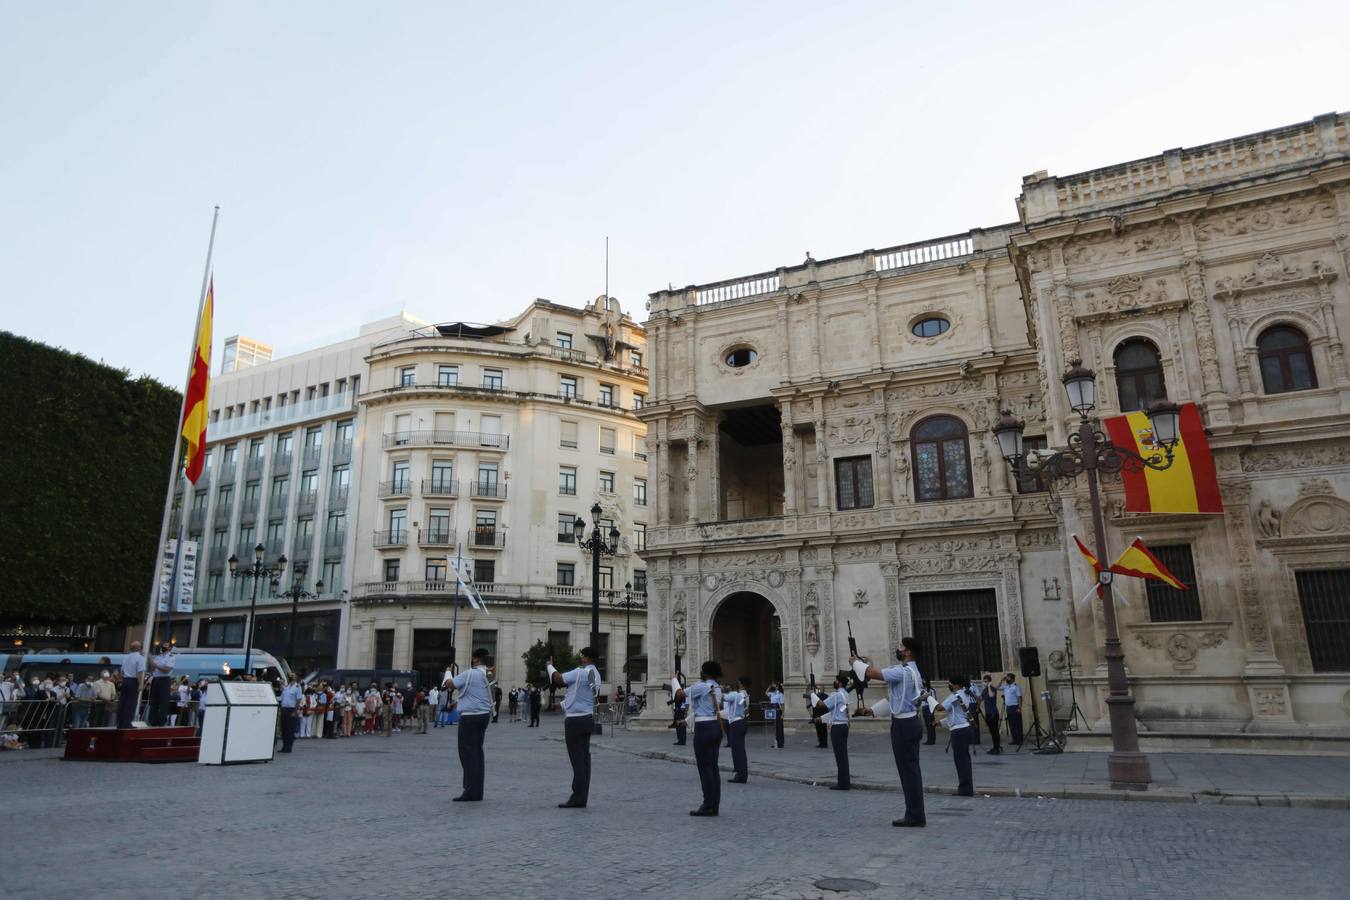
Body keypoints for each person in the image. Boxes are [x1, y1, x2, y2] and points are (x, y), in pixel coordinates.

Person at [851, 636, 925, 827]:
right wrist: (872, 711)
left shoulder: (902, 672)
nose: (898, 649)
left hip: (904, 726)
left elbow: (872, 673)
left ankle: (915, 815)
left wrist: (855, 663)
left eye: (901, 647)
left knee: (908, 771)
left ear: (908, 652)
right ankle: (915, 813)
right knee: (911, 770)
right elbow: (897, 699)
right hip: (910, 722)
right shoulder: (913, 672)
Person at [548, 646, 601, 808]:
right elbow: (581, 695)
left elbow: (559, 679)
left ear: (586, 658)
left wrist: (549, 666)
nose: (581, 659)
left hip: (575, 721)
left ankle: (577, 797)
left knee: (577, 760)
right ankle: (582, 796)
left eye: (582, 657)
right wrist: (562, 705)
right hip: (587, 718)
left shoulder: (580, 672)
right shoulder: (596, 674)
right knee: (584, 759)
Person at [673, 661, 724, 816]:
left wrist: (675, 680)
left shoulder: (701, 686)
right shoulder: (718, 688)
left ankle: (707, 804)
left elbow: (680, 694)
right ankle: (714, 804)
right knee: (713, 767)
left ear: (705, 673)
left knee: (705, 768)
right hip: (716, 725)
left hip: (704, 728)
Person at [448, 649, 494, 802]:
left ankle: (470, 790)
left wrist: (448, 672)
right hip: (483, 715)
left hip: (469, 717)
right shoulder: (486, 674)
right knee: (477, 753)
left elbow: (450, 685)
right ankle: (477, 790)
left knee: (468, 754)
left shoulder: (470, 673)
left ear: (476, 659)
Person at [934, 675, 975, 796]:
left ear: (956, 685)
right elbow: (955, 715)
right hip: (964, 728)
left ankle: (965, 789)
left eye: (950, 682)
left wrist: (928, 698)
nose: (949, 685)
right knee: (964, 760)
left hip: (959, 732)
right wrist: (940, 722)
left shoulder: (955, 696)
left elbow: (940, 708)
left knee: (961, 761)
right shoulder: (963, 695)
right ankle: (966, 787)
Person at [812, 671, 852, 790]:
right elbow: (837, 711)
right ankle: (844, 781)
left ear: (839, 683)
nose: (834, 682)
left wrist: (813, 695)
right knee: (843, 755)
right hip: (844, 725)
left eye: (836, 681)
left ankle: (843, 783)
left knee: (840, 756)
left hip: (837, 727)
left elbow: (821, 705)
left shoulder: (836, 695)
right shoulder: (845, 694)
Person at [724, 676, 751, 784]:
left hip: (735, 722)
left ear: (740, 683)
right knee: (741, 750)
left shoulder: (736, 694)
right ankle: (742, 773)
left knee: (736, 751)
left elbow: (723, 698)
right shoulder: (746, 695)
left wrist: (723, 689)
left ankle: (740, 774)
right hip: (742, 721)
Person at [117, 642, 147, 728]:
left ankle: (120, 722)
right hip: (133, 681)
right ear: (139, 648)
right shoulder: (140, 658)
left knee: (123, 702)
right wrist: (140, 684)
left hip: (125, 680)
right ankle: (127, 723)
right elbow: (139, 672)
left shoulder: (126, 657)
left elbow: (122, 671)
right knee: (131, 703)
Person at [147, 642, 176, 726]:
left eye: (166, 646)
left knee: (163, 701)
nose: (163, 647)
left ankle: (162, 721)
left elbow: (167, 669)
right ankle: (152, 720)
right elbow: (152, 668)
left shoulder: (171, 657)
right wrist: (151, 661)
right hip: (156, 679)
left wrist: (156, 665)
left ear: (170, 648)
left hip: (164, 679)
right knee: (154, 701)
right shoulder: (158, 657)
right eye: (163, 646)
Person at [278, 674, 302, 753]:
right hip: (284, 709)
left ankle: (289, 747)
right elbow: (282, 698)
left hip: (291, 710)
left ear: (296, 677)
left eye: (293, 675)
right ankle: (284, 746)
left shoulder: (297, 687)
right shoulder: (286, 687)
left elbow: (298, 700)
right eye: (290, 675)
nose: (291, 676)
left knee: (290, 729)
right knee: (284, 729)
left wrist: (295, 711)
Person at [980, 673, 1001, 754]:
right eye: (984, 681)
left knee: (995, 731)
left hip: (993, 713)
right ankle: (995, 747)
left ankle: (997, 748)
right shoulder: (984, 690)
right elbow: (980, 698)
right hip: (988, 713)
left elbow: (991, 695)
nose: (985, 683)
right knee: (992, 732)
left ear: (990, 682)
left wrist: (989, 686)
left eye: (986, 682)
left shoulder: (992, 689)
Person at [1002, 673, 1024, 746]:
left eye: (1008, 678)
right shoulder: (1006, 686)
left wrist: (1019, 708)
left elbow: (1019, 697)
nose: (1007, 679)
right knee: (1011, 724)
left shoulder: (1016, 687)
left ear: (1012, 679)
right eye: (1006, 677)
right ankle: (1014, 739)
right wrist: (1001, 680)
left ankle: (1020, 740)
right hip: (1008, 707)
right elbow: (996, 688)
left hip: (1015, 707)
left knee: (1017, 724)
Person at [670, 672, 687, 745]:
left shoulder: (681, 695)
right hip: (678, 711)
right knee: (678, 726)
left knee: (681, 726)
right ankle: (680, 740)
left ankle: (682, 740)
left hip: (680, 712)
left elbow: (675, 686)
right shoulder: (679, 695)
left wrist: (675, 678)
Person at [919, 679, 937, 745]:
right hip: (924, 708)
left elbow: (934, 700)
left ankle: (932, 740)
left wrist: (933, 710)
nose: (922, 682)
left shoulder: (932, 690)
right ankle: (929, 739)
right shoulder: (922, 690)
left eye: (924, 681)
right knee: (927, 724)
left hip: (929, 708)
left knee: (931, 725)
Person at [767, 683, 785, 749]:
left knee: (779, 728)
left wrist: (783, 714)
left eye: (776, 686)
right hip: (773, 711)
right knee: (775, 728)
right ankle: (776, 743)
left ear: (778, 687)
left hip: (778, 711)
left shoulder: (781, 694)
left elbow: (782, 705)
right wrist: (770, 686)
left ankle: (780, 743)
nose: (775, 687)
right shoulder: (773, 693)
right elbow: (766, 693)